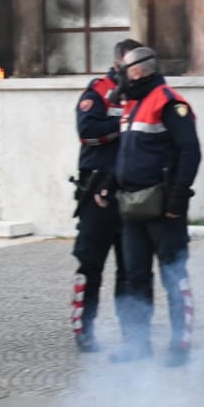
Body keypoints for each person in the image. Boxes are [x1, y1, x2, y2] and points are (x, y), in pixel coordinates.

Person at [97, 46, 201, 366]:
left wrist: (177, 199)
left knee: (173, 276)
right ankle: (137, 344)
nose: (119, 75)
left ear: (138, 71)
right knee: (135, 277)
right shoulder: (133, 105)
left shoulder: (169, 102)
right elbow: (127, 156)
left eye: (123, 69)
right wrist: (108, 185)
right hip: (132, 207)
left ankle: (180, 345)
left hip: (162, 207)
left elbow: (190, 152)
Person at [69, 38, 140, 353]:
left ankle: (131, 336)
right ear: (116, 64)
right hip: (95, 192)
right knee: (90, 265)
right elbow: (88, 131)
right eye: (129, 64)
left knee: (130, 269)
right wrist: (124, 125)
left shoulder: (144, 95)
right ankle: (84, 330)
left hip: (131, 194)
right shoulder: (97, 91)